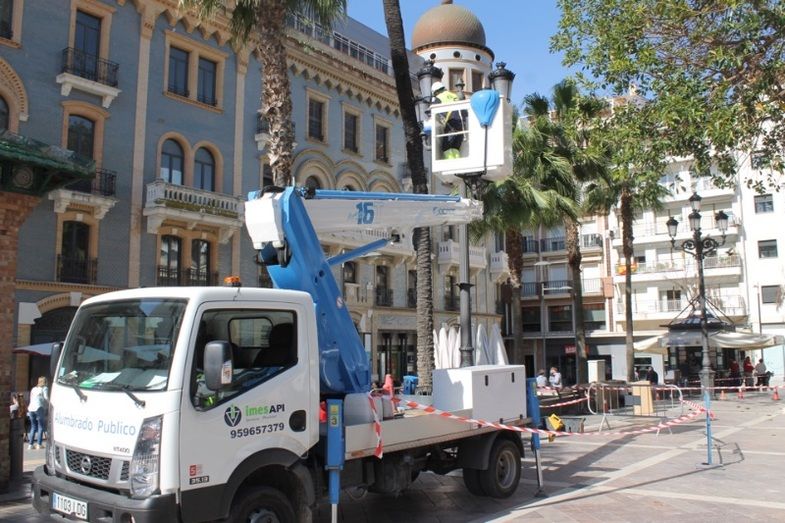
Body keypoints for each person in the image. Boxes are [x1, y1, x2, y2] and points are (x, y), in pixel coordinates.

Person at [431, 81, 466, 160]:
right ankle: (457, 163)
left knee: (446, 146)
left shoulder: (439, 97)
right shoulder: (454, 95)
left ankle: (450, 164)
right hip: (462, 124)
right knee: (455, 147)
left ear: (436, 91)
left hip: (452, 123)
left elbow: (432, 110)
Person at [28, 376, 48, 450]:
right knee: (41, 426)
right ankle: (39, 444)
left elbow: (31, 399)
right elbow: (46, 398)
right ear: (44, 382)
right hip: (39, 408)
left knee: (33, 427)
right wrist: (50, 404)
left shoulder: (33, 389)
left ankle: (30, 444)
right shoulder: (44, 388)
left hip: (31, 408)